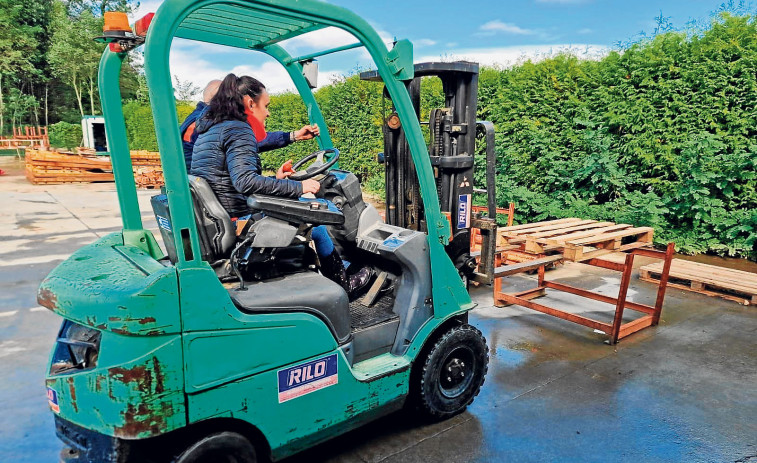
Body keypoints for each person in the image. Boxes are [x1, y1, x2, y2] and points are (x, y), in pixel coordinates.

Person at [191, 73, 372, 296]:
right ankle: (344, 284)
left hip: (222, 217)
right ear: (250, 102)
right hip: (238, 220)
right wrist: (299, 187)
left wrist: (277, 181)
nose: (267, 112)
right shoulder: (238, 129)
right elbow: (245, 182)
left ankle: (337, 268)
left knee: (308, 208)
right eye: (265, 105)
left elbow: (228, 178)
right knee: (320, 213)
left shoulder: (212, 129)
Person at [180, 79, 322, 172]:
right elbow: (246, 181)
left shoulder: (201, 120)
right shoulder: (209, 124)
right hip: (218, 201)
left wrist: (293, 136)